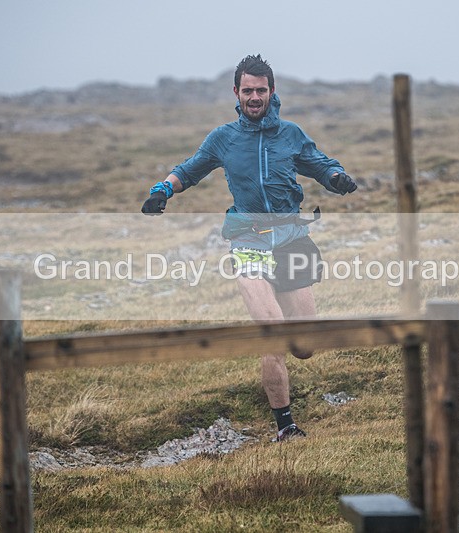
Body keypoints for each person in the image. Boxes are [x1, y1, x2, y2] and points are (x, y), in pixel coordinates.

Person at [141, 54, 357, 442]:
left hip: (291, 238)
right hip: (248, 240)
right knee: (272, 333)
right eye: (247, 91)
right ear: (236, 93)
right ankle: (286, 426)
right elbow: (189, 169)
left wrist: (337, 177)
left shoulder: (290, 133)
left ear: (272, 91)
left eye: (260, 90)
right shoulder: (223, 138)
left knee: (304, 344)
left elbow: (319, 163)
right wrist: (163, 190)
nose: (254, 97)